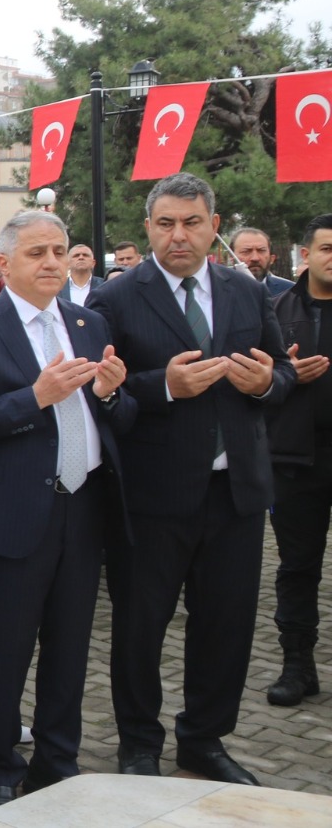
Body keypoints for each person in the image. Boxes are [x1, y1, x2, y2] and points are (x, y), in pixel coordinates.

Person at [86, 172, 292, 785]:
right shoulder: (116, 299)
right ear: (148, 228)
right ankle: (139, 743)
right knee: (140, 626)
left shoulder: (244, 291)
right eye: (166, 223)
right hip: (152, 496)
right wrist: (164, 387)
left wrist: (269, 384)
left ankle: (204, 739)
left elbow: (279, 370)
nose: (180, 235)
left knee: (226, 625)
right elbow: (102, 391)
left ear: (214, 226)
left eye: (192, 222)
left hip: (237, 494)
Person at [0, 212, 135, 810]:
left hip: (83, 510)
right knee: (5, 653)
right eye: (36, 253)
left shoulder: (89, 319)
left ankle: (59, 760)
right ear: (4, 263)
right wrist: (35, 397)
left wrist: (109, 395)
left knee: (71, 648)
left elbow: (116, 419)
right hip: (11, 517)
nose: (52, 262)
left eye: (60, 250)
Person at [264, 214, 332, 706]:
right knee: (297, 567)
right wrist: (287, 375)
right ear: (305, 254)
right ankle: (297, 666)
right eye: (327, 248)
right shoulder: (274, 308)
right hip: (294, 459)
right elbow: (254, 385)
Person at [232, 227, 294, 297]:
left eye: (261, 250)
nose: (255, 258)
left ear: (271, 257)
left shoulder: (290, 291)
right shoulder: (218, 290)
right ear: (231, 257)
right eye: (246, 251)